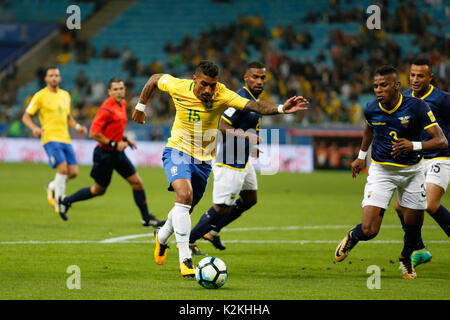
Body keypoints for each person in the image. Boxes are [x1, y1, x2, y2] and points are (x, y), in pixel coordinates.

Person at [132, 60, 309, 277]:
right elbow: (154, 79)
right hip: (177, 150)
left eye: (212, 85)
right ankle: (185, 259)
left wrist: (282, 108)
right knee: (184, 195)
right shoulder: (178, 86)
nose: (208, 90)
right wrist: (141, 106)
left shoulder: (222, 94)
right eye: (204, 84)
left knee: (186, 205)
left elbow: (255, 105)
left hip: (204, 159)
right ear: (194, 79)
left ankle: (161, 237)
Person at [334, 65, 447, 279]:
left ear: (396, 86)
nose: (378, 90)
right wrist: (360, 156)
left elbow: (441, 140)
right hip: (381, 171)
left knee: (413, 233)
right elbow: (369, 128)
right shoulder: (371, 109)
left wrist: (413, 145)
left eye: (383, 85)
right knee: (369, 230)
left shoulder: (417, 107)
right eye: (375, 86)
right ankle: (352, 236)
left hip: (413, 172)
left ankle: (406, 258)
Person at [58, 78, 164, 228]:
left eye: (121, 88)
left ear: (125, 90)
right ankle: (65, 201)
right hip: (104, 155)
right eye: (115, 89)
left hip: (117, 154)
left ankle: (146, 218)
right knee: (98, 190)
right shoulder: (106, 109)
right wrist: (115, 144)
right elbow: (94, 133)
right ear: (109, 92)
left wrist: (126, 139)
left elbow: (114, 129)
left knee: (137, 183)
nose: (119, 91)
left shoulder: (123, 104)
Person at [188, 61, 267, 255]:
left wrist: (250, 147)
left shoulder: (253, 100)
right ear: (246, 78)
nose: (259, 81)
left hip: (242, 159)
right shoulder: (240, 98)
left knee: (250, 199)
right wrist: (246, 136)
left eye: (262, 77)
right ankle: (189, 241)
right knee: (221, 208)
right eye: (255, 77)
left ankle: (213, 231)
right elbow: (222, 126)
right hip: (229, 160)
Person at [394, 58, 450, 267]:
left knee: (429, 204)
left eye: (420, 76)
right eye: (412, 75)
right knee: (401, 207)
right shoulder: (405, 98)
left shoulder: (443, 100)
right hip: (416, 160)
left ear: (430, 78)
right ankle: (419, 249)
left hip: (441, 157)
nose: (415, 79)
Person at [22, 66, 88, 217]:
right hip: (50, 138)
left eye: (56, 75)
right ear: (46, 79)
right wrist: (34, 128)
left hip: (65, 138)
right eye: (51, 75)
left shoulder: (65, 95)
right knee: (62, 169)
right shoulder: (40, 96)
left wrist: (78, 126)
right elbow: (26, 116)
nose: (54, 78)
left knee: (73, 173)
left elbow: (68, 117)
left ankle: (51, 186)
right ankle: (60, 203)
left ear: (60, 78)